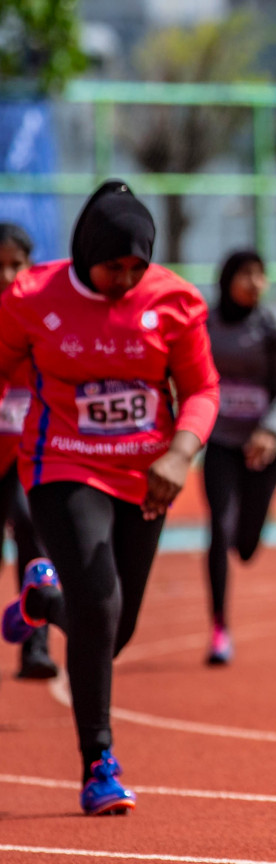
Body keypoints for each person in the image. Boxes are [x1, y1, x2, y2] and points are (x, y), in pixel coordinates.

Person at [0, 180, 220, 815]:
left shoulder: (175, 302)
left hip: (147, 477)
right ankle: (99, 762)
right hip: (61, 466)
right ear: (83, 253)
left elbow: (202, 388)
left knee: (114, 630)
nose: (124, 278)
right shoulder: (32, 298)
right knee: (100, 602)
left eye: (135, 266)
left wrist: (180, 454)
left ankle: (42, 599)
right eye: (111, 265)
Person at [202, 250, 276, 665]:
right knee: (218, 531)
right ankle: (219, 627)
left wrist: (270, 430)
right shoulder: (205, 323)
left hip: (264, 445)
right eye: (247, 274)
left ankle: (248, 538)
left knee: (244, 545)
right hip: (221, 442)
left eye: (261, 275)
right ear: (227, 279)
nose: (256, 282)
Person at [0, 222, 58, 680]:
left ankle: (36, 647)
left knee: (34, 539)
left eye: (15, 265)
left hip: (28, 458)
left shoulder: (40, 317)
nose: (6, 275)